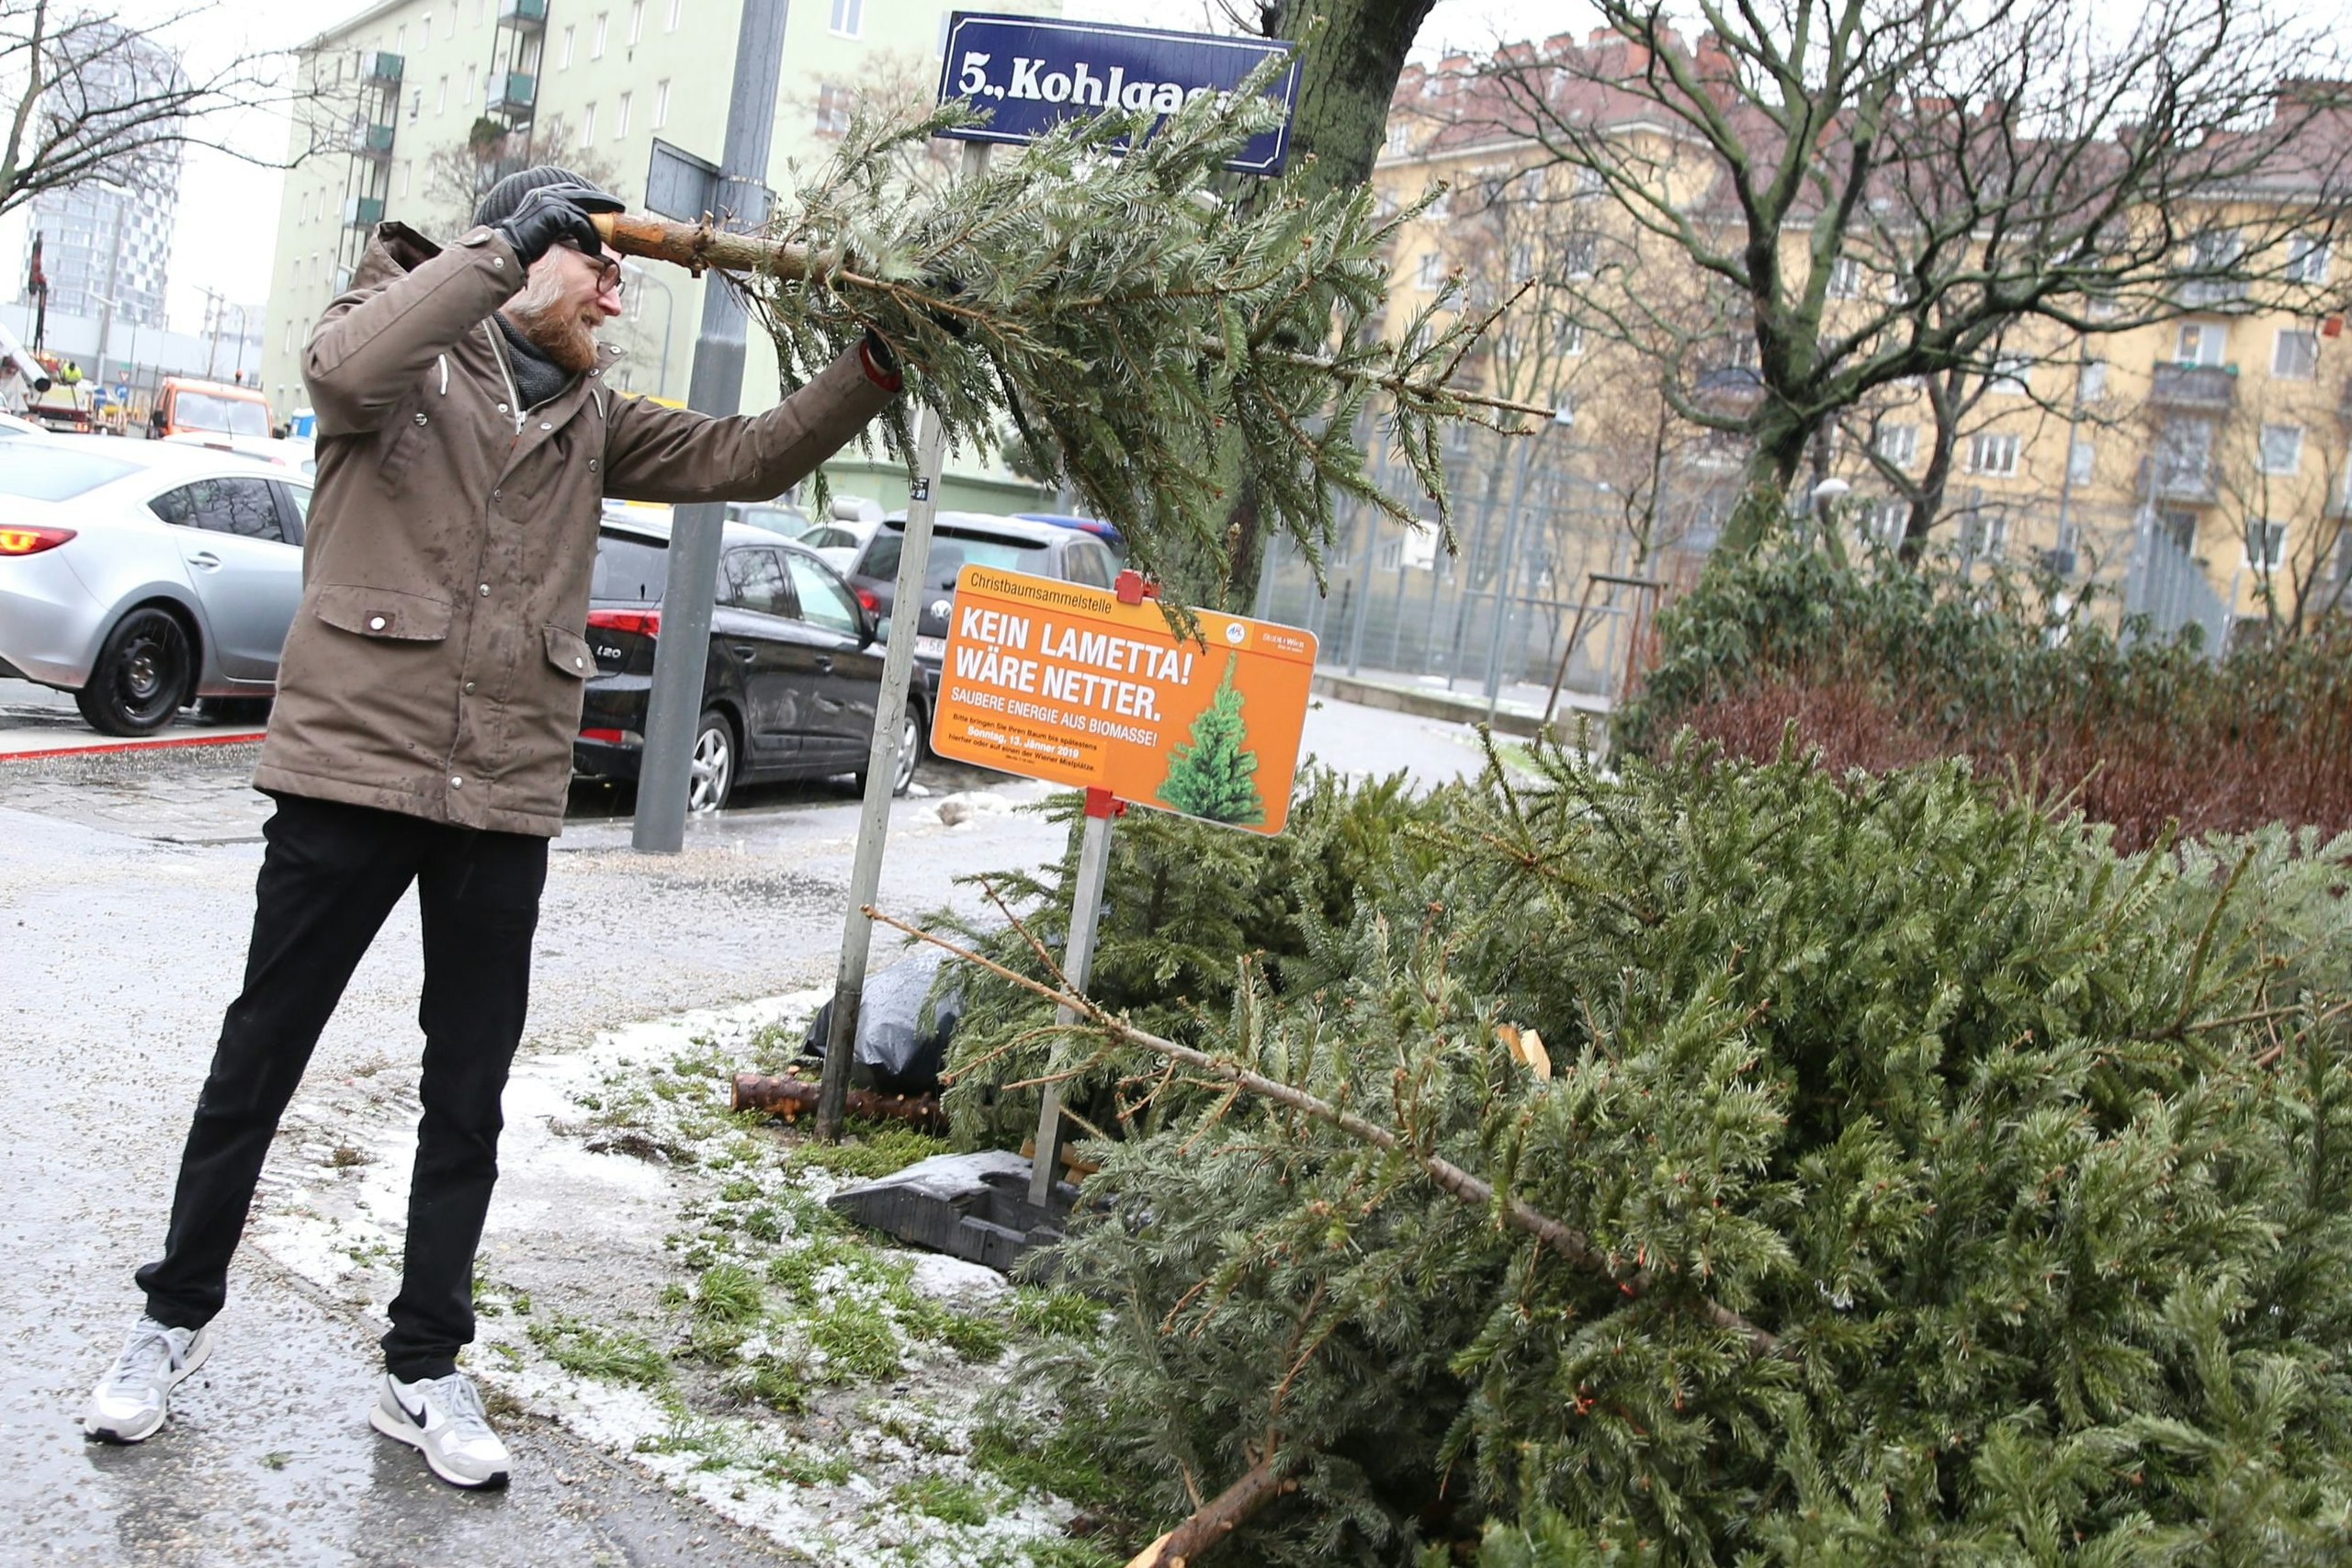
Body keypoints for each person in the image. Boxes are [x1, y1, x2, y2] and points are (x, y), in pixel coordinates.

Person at [82, 167, 909, 1487]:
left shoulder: (594, 417)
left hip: (503, 789)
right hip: (351, 771)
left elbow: (748, 453)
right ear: (532, 257)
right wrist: (497, 249)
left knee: (465, 1099)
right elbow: (342, 369)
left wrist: (873, 366)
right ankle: (167, 1323)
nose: (617, 291)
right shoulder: (397, 337)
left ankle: (422, 1367)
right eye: (602, 267)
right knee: (260, 1064)